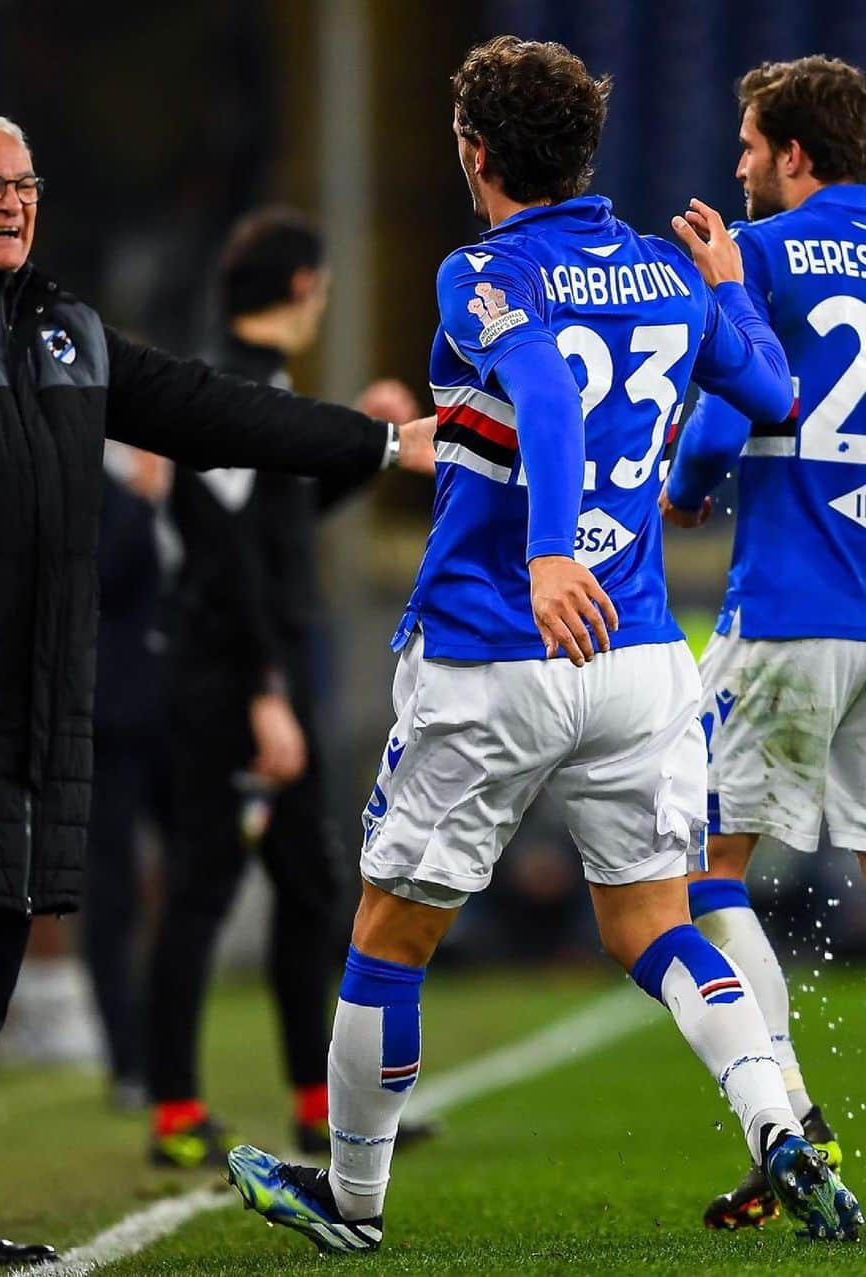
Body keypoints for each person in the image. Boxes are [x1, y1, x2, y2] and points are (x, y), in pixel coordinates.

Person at [224, 36, 863, 1254]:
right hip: (636, 658)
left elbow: (550, 392)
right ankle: (779, 1119)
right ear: (586, 149)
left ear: (476, 154)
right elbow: (777, 392)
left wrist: (547, 546)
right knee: (654, 922)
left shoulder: (483, 270)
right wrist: (726, 285)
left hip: (497, 648)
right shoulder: (672, 276)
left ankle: (352, 1203)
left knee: (388, 932)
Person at [0, 109, 434, 1271]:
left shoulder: (68, 332)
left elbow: (212, 407)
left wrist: (378, 447)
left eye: (23, 183)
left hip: (33, 694)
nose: (10, 202)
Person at [147, 207, 433, 1165]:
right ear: (305, 289)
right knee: (203, 885)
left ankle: (317, 1098)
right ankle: (175, 1111)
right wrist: (265, 690)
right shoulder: (227, 386)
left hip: (264, 671)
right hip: (233, 678)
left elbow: (281, 522)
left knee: (309, 886)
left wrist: (366, 441)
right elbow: (227, 557)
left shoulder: (252, 381)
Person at [660, 55, 866, 1232]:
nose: (737, 167)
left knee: (699, 868)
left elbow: (742, 404)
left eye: (747, 146)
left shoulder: (768, 255)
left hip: (793, 606)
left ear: (793, 152)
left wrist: (688, 484)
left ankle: (787, 1124)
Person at [83, 440, 171, 1105]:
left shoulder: (185, 492)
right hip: (111, 721)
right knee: (109, 891)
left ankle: (170, 1051)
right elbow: (101, 578)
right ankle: (129, 1059)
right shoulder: (103, 490)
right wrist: (142, 502)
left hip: (180, 718)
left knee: (194, 878)